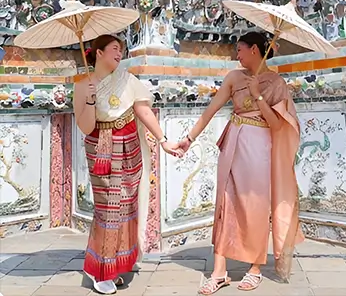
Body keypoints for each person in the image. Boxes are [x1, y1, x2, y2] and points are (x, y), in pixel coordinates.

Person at [179, 32, 303, 295]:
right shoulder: (234, 78)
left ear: (256, 50)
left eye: (241, 49)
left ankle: (255, 267)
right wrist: (189, 139)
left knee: (255, 206)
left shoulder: (276, 82)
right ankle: (219, 271)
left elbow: (276, 124)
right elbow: (211, 109)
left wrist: (258, 94)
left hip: (259, 147)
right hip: (233, 140)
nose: (237, 55)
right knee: (225, 203)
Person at [73, 35, 183, 295]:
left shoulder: (128, 80)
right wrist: (89, 99)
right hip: (102, 146)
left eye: (121, 50)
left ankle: (111, 265)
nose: (119, 54)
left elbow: (143, 111)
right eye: (114, 49)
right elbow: (86, 127)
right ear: (98, 53)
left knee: (126, 207)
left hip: (131, 145)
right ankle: (100, 270)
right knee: (108, 209)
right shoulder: (82, 85)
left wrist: (164, 140)